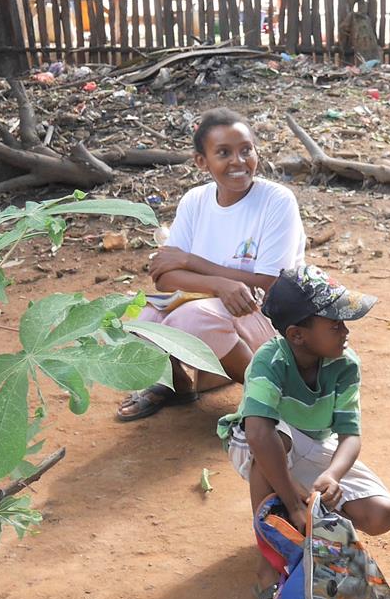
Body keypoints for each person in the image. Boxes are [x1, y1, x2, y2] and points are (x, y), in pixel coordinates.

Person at [220, 265, 390, 599]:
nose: (345, 331)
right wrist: (293, 502)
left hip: (314, 444)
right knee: (273, 438)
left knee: (381, 514)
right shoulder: (269, 361)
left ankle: (310, 532)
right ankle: (268, 561)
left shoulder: (345, 363)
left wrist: (333, 475)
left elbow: (350, 435)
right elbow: (258, 434)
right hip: (254, 444)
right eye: (335, 325)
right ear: (297, 335)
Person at [121, 109, 305, 422]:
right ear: (201, 161)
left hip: (268, 314)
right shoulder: (195, 201)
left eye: (246, 150)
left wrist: (190, 262)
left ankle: (272, 394)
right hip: (214, 307)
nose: (238, 161)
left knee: (191, 319)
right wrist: (219, 285)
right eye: (223, 153)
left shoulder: (276, 201)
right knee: (138, 316)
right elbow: (164, 278)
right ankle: (177, 384)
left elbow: (269, 283)